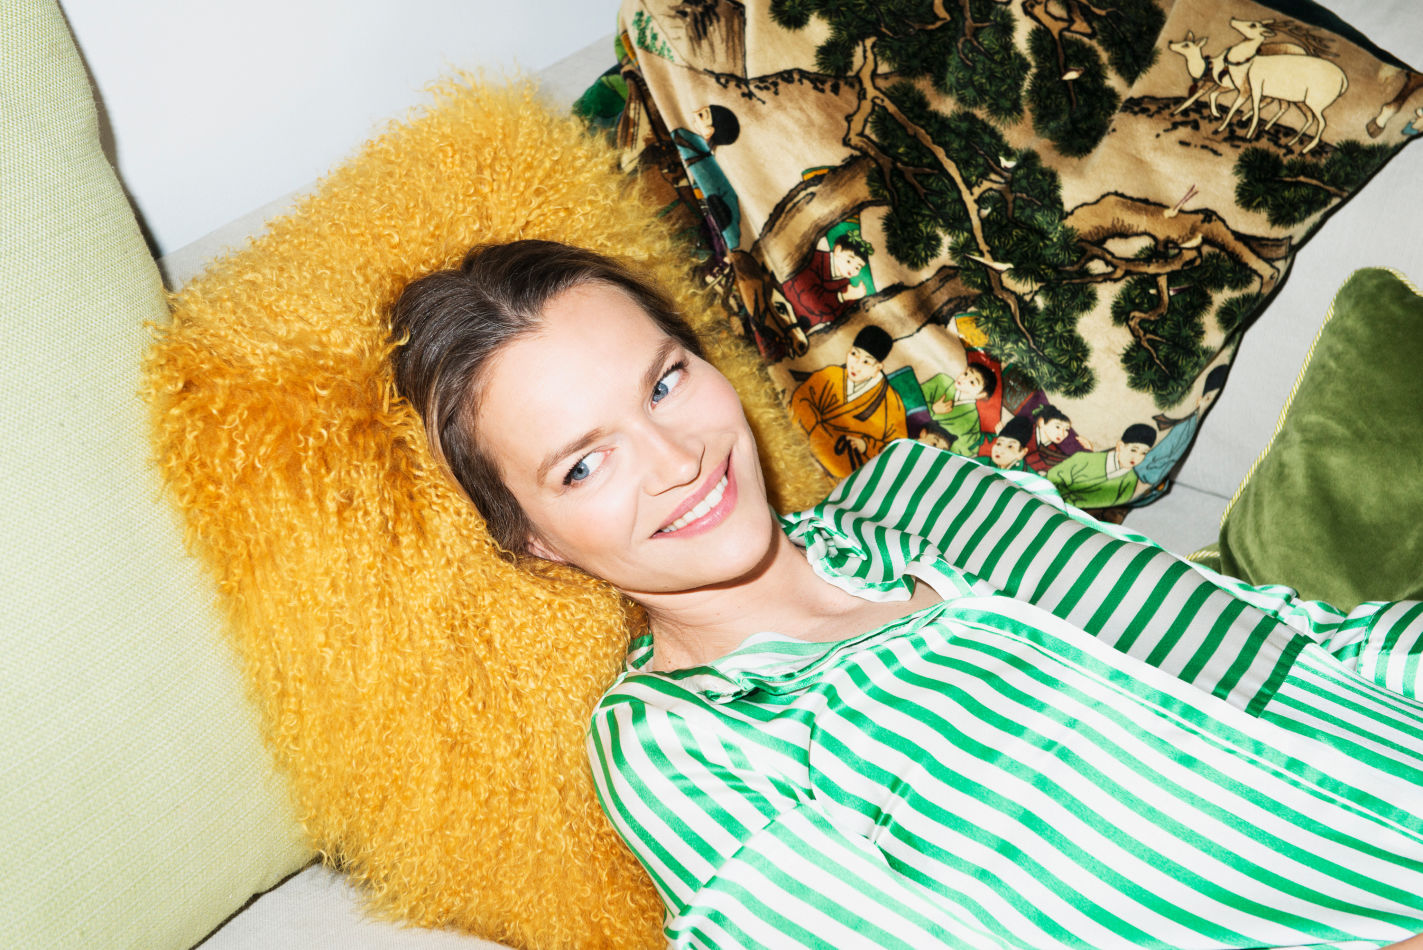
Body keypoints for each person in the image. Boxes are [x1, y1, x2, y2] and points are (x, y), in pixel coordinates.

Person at [390, 240, 1423, 950]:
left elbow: (1290, 639)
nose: (676, 458)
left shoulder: (924, 488)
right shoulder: (675, 740)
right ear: (534, 540)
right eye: (583, 464)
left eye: (664, 383)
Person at [789, 324, 908, 478]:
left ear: (877, 368)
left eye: (866, 362)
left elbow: (898, 450)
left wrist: (866, 446)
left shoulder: (891, 403)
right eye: (854, 354)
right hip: (804, 450)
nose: (855, 365)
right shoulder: (831, 374)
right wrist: (815, 429)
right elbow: (800, 399)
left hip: (850, 474)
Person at [1046, 421, 1155, 508]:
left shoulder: (1130, 481)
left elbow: (1112, 501)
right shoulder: (1085, 458)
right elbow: (1053, 475)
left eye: (1144, 453)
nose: (1136, 457)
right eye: (1133, 450)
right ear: (1120, 446)